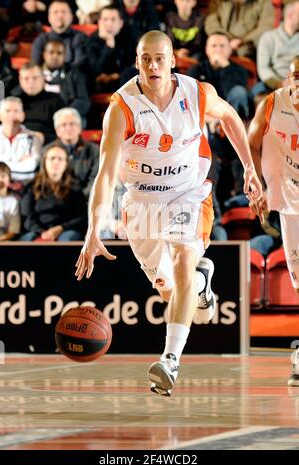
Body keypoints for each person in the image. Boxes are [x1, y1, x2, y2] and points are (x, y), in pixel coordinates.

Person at [75, 30, 262, 396]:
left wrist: (250, 168)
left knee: (181, 261)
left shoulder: (196, 93)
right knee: (173, 292)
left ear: (173, 61)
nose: (153, 65)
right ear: (137, 62)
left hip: (188, 193)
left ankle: (170, 361)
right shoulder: (122, 108)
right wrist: (93, 227)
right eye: (146, 58)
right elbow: (107, 174)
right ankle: (202, 287)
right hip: (141, 203)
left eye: (160, 58)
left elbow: (231, 118)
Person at [248, 55, 299, 387]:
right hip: (291, 204)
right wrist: (259, 185)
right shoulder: (272, 104)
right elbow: (251, 145)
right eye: (297, 75)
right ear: (288, 79)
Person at [20, 143, 87, 241]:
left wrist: (61, 228)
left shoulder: (75, 188)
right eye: (52, 158)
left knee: (67, 239)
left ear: (66, 164)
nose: (56, 162)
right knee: (26, 240)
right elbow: (27, 218)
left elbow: (82, 218)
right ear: (44, 162)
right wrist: (42, 233)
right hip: (37, 231)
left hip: (66, 231)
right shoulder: (31, 186)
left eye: (60, 159)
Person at [0, 162, 21, 241]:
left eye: (3, 176)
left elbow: (13, 230)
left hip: (4, 238)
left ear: (9, 179)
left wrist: (1, 239)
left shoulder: (13, 201)